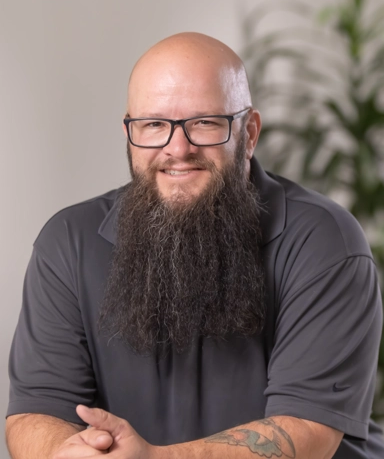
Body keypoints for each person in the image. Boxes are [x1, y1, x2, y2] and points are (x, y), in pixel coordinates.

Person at [5, 32, 384, 459]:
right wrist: (65, 452)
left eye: (204, 122)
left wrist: (155, 458)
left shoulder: (325, 241)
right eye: (153, 124)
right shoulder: (68, 242)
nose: (177, 148)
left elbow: (307, 431)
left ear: (249, 133)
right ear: (130, 134)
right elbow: (36, 410)